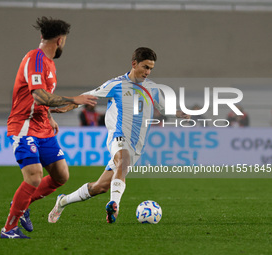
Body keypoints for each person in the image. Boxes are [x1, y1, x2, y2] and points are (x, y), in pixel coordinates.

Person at [48, 47, 189, 224]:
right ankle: (114, 205)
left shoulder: (152, 88)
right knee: (123, 160)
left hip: (137, 146)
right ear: (134, 64)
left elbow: (163, 108)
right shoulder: (116, 84)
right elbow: (88, 96)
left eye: (151, 68)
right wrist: (68, 105)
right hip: (118, 136)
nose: (148, 72)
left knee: (100, 187)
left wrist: (180, 113)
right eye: (145, 67)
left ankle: (63, 201)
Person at [0, 17, 97, 239]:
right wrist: (75, 99)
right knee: (34, 177)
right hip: (24, 126)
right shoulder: (36, 58)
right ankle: (9, 228)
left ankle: (22, 204)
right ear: (60, 40)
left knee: (61, 175)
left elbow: (39, 99)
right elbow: (39, 95)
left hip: (42, 125)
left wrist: (50, 117)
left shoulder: (49, 64)